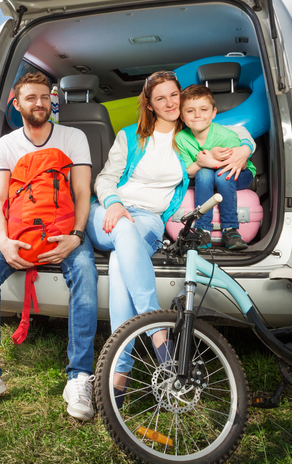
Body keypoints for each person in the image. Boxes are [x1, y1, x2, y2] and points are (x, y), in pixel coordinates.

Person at [0, 71, 98, 421]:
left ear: (53, 101)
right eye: (31, 98)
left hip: (65, 229)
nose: (40, 103)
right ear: (16, 104)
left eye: (45, 97)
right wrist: (3, 242)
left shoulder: (73, 136)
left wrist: (77, 236)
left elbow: (83, 192)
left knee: (84, 271)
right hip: (17, 231)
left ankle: (80, 376)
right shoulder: (4, 145)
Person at [87, 70, 189, 386]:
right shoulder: (130, 136)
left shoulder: (191, 139)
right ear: (150, 104)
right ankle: (158, 331)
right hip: (107, 211)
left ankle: (121, 368)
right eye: (161, 98)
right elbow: (104, 179)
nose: (170, 102)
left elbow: (235, 139)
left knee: (121, 262)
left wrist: (243, 149)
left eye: (174, 95)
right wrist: (114, 202)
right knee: (123, 232)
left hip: (148, 220)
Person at [176, 84, 256, 250]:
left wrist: (211, 159)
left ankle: (230, 229)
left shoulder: (226, 135)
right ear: (182, 116)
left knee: (220, 174)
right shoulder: (181, 138)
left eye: (204, 109)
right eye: (190, 111)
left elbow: (235, 164)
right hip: (206, 177)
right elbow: (188, 171)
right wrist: (201, 163)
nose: (197, 115)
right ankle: (202, 229)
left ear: (213, 113)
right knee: (204, 173)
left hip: (238, 173)